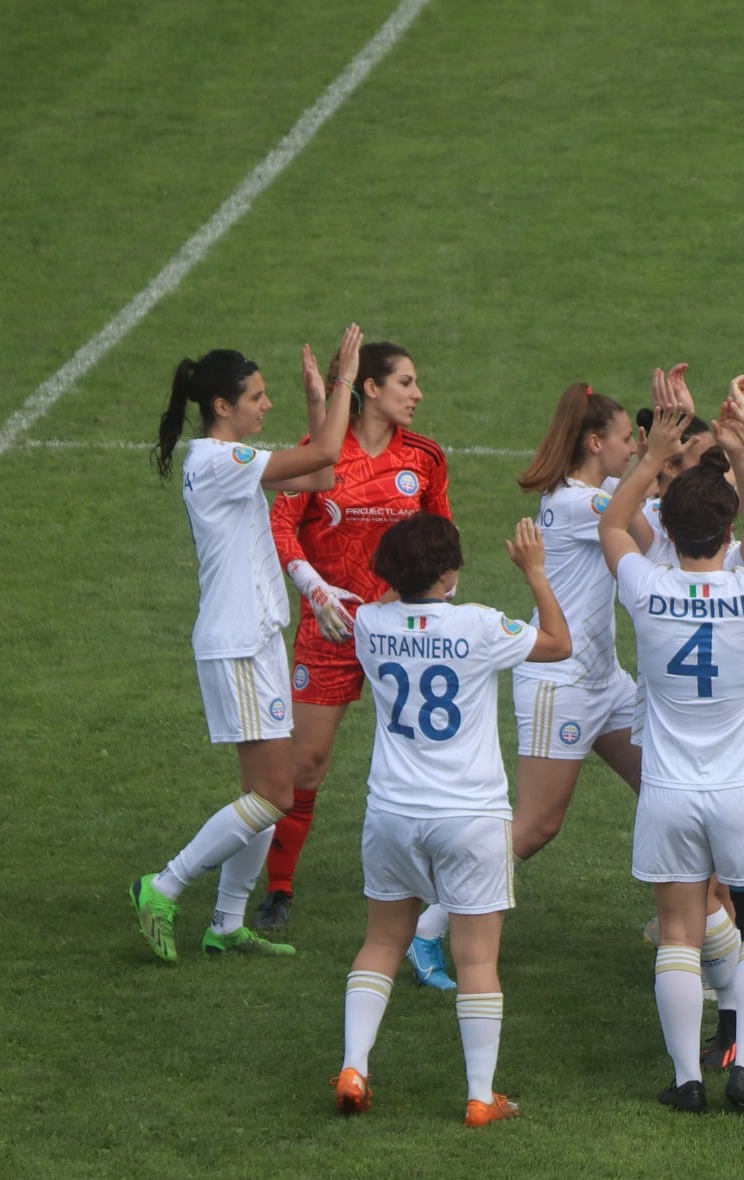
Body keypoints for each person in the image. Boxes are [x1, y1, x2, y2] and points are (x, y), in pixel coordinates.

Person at [600, 374, 744, 1113]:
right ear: (728, 534)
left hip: (668, 789)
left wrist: (653, 451)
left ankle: (685, 1078)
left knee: (678, 932)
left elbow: (613, 524)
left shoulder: (644, 584)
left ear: (668, 527)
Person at [127, 325, 362, 961]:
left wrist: (319, 401)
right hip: (235, 645)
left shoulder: (231, 464)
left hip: (257, 640)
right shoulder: (218, 460)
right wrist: (343, 380)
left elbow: (322, 479)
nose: (267, 404)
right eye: (258, 396)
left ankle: (227, 923)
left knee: (272, 790)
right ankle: (164, 884)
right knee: (274, 796)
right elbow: (327, 453)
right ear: (222, 407)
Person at [333, 512, 570, 1124]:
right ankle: (479, 1096)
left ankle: (355, 1064)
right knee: (476, 961)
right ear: (448, 573)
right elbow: (557, 642)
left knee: (382, 941)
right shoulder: (479, 624)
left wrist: (402, 577)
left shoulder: (367, 623)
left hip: (390, 812)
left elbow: (389, 603)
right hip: (469, 815)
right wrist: (537, 574)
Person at [257, 342, 456, 987]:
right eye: (406, 381)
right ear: (369, 388)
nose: (416, 393)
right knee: (306, 763)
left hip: (402, 633)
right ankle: (279, 887)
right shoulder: (320, 450)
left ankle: (436, 898)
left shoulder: (423, 459)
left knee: (426, 761)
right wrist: (316, 589)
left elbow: (442, 539)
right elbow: (282, 527)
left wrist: (412, 596)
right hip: (330, 629)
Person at [510, 384, 646, 861]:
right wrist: (653, 464)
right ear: (594, 443)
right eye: (627, 439)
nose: (632, 448)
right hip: (559, 683)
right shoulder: (581, 503)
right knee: (537, 825)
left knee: (668, 788)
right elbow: (644, 539)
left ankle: (702, 921)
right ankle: (429, 924)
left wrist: (646, 467)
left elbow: (640, 523)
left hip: (604, 681)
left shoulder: (599, 492)